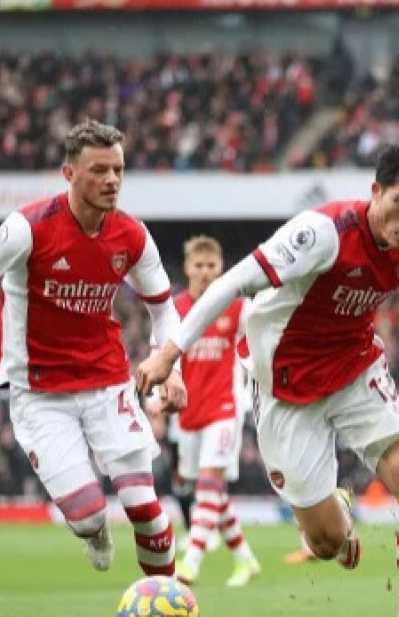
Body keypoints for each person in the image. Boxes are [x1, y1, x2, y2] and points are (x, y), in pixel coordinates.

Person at [137, 135, 399, 617]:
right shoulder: (322, 233)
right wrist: (169, 354)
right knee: (326, 544)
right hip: (284, 388)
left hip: (354, 369)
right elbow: (232, 283)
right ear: (376, 191)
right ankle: (338, 515)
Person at [0, 120, 187, 579]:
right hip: (41, 393)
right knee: (87, 515)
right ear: (69, 173)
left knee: (147, 509)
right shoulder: (28, 228)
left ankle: (170, 600)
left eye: (118, 170)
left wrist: (170, 365)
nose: (111, 180)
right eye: (98, 170)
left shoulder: (132, 235)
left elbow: (164, 309)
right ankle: (95, 532)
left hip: (106, 382)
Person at [151, 235, 261, 586]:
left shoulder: (238, 307)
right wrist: (156, 398)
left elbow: (261, 342)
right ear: (187, 268)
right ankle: (245, 560)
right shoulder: (175, 309)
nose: (204, 272)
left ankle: (191, 563)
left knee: (209, 483)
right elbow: (159, 354)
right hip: (189, 413)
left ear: (221, 268)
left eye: (211, 265)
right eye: (198, 265)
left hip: (225, 409)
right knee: (211, 491)